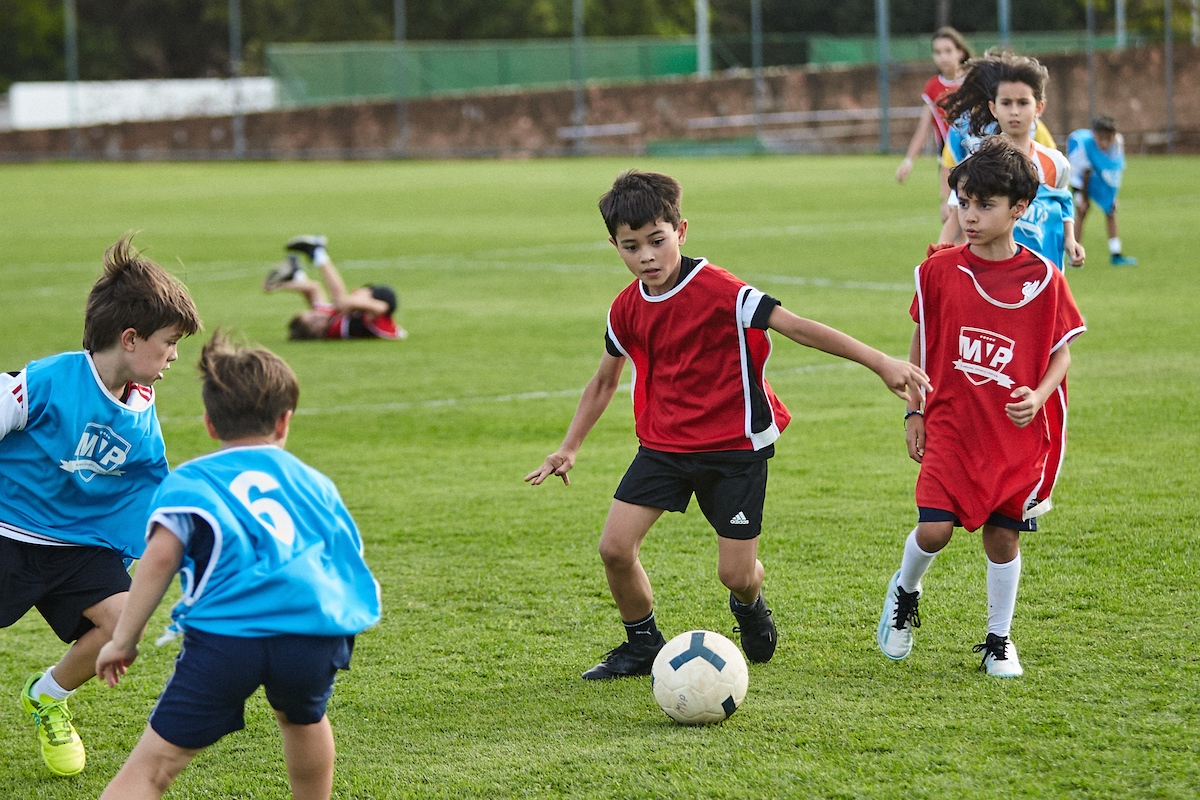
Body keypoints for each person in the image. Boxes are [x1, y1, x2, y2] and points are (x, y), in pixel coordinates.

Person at [525, 169, 931, 680]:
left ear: (681, 231)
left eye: (657, 240)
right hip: (665, 447)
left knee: (734, 574)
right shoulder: (625, 308)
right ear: (615, 246)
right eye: (631, 247)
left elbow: (798, 327)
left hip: (735, 448)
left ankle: (750, 601)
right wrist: (569, 446)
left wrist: (882, 363)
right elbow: (605, 381)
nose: (646, 257)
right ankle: (643, 644)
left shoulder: (722, 291)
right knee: (614, 549)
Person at [95, 331, 382, 800]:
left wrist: (123, 640)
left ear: (209, 424)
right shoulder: (314, 482)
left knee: (153, 769)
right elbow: (345, 554)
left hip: (228, 640)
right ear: (285, 421)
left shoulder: (191, 480)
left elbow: (161, 557)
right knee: (303, 719)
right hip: (309, 635)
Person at [877, 137, 1086, 677]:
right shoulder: (939, 271)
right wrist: (914, 411)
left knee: (1002, 537)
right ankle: (905, 591)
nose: (969, 216)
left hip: (1010, 433)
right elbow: (921, 343)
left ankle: (999, 639)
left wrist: (1038, 397)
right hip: (950, 423)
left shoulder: (1043, 277)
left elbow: (1061, 353)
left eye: (984, 205)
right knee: (934, 532)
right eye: (963, 203)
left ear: (1019, 208)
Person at [2, 234, 201, 777]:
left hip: (79, 544)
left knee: (123, 625)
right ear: (131, 338)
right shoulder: (49, 380)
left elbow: (147, 474)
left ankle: (46, 697)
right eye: (169, 343)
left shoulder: (140, 399)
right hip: (9, 534)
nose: (175, 357)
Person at [936, 51, 1084, 269]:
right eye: (1006, 103)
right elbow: (957, 212)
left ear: (1039, 107)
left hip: (1044, 277)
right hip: (994, 276)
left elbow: (1063, 202)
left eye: (1023, 103)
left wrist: (1070, 240)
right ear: (993, 108)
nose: (1014, 112)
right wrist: (939, 254)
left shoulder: (1055, 163)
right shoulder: (977, 162)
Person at [895, 27, 972, 223]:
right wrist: (908, 161)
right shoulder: (933, 87)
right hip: (948, 159)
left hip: (975, 155)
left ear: (960, 51)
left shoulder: (974, 82)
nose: (943, 57)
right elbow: (923, 128)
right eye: (937, 52)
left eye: (948, 50)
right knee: (952, 218)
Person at [264, 235, 407, 340]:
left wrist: (278, 286)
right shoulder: (333, 329)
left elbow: (313, 288)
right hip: (381, 300)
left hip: (369, 303)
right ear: (316, 331)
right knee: (340, 303)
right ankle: (317, 252)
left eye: (310, 314)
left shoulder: (326, 316)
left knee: (338, 304)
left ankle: (297, 274)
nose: (316, 314)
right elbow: (381, 308)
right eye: (314, 320)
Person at [1067, 116, 1138, 266]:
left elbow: (1115, 169)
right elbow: (1084, 173)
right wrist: (1084, 199)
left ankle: (1116, 254)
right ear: (1094, 135)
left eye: (1108, 138)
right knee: (1081, 212)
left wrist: (1112, 196)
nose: (1105, 143)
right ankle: (1074, 253)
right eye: (1101, 138)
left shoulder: (1118, 143)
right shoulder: (1083, 145)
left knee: (1110, 211)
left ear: (1114, 135)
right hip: (1081, 179)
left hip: (1100, 175)